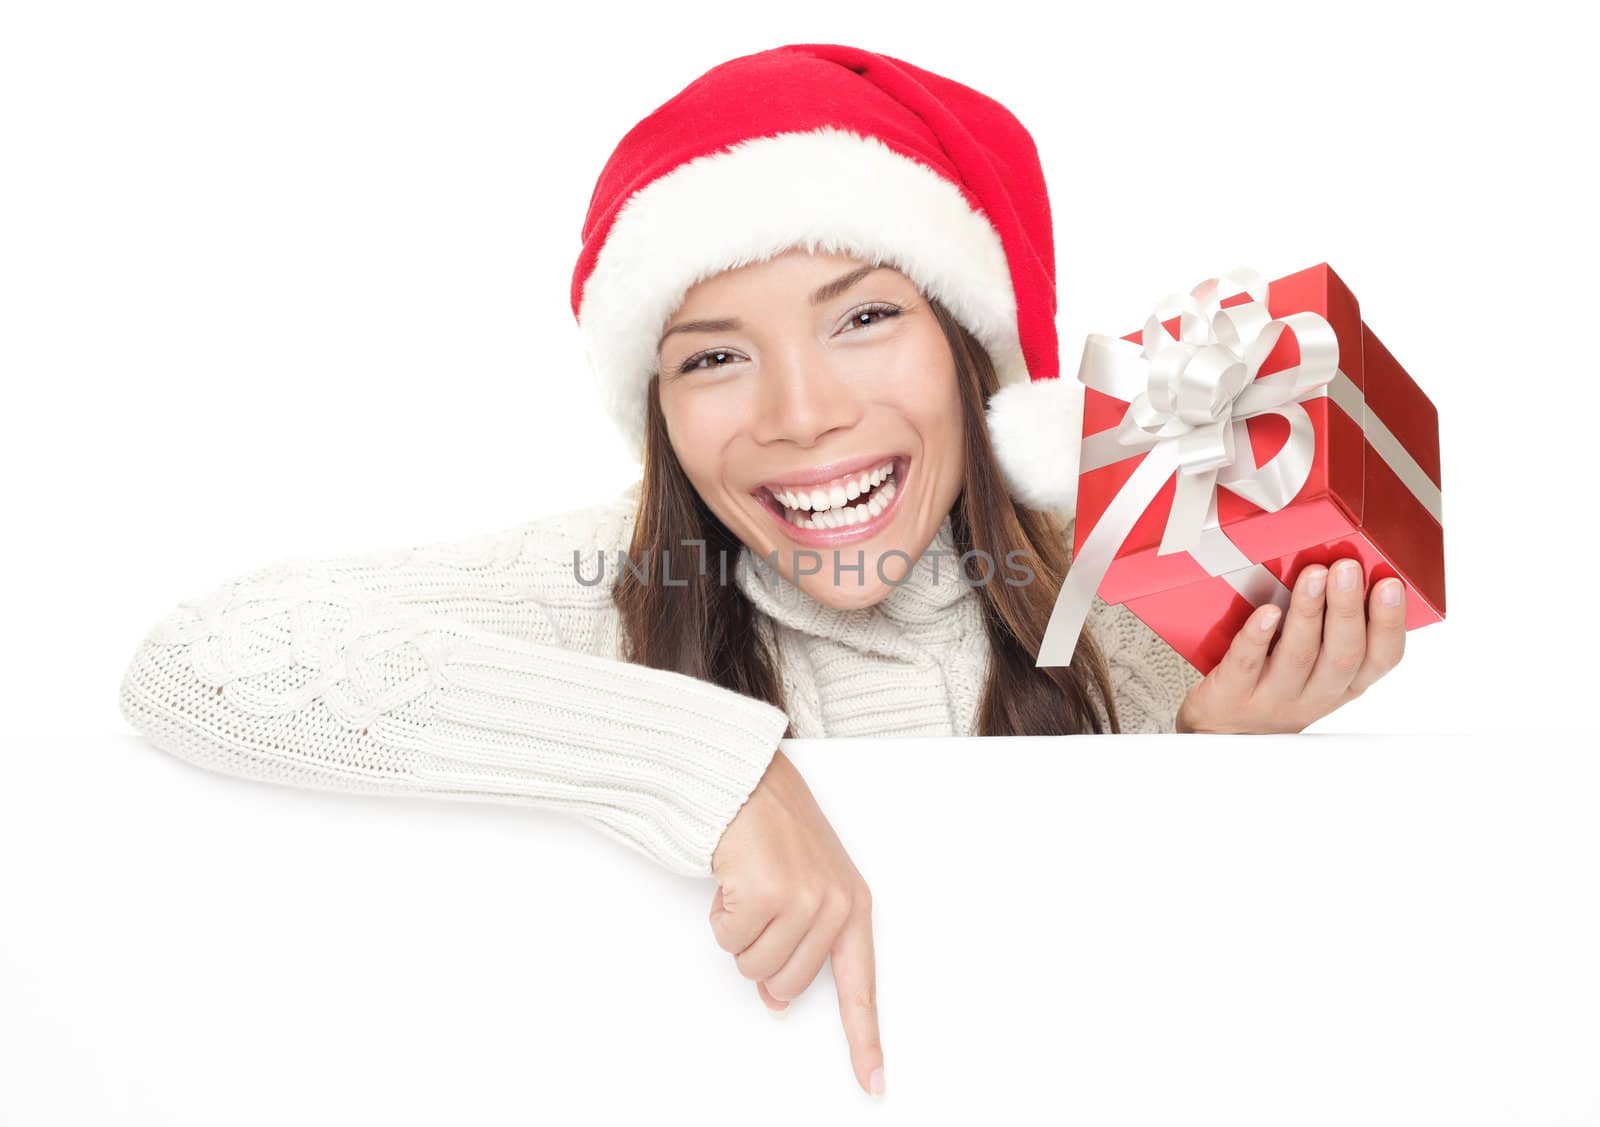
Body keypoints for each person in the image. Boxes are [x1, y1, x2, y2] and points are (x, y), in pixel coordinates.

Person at [118, 43, 1408, 1100]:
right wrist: (717, 769)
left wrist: (1217, 767)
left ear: (976, 351)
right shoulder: (618, 582)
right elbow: (200, 664)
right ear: (660, 410)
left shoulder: (1119, 614)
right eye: (715, 357)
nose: (801, 415)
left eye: (863, 317)